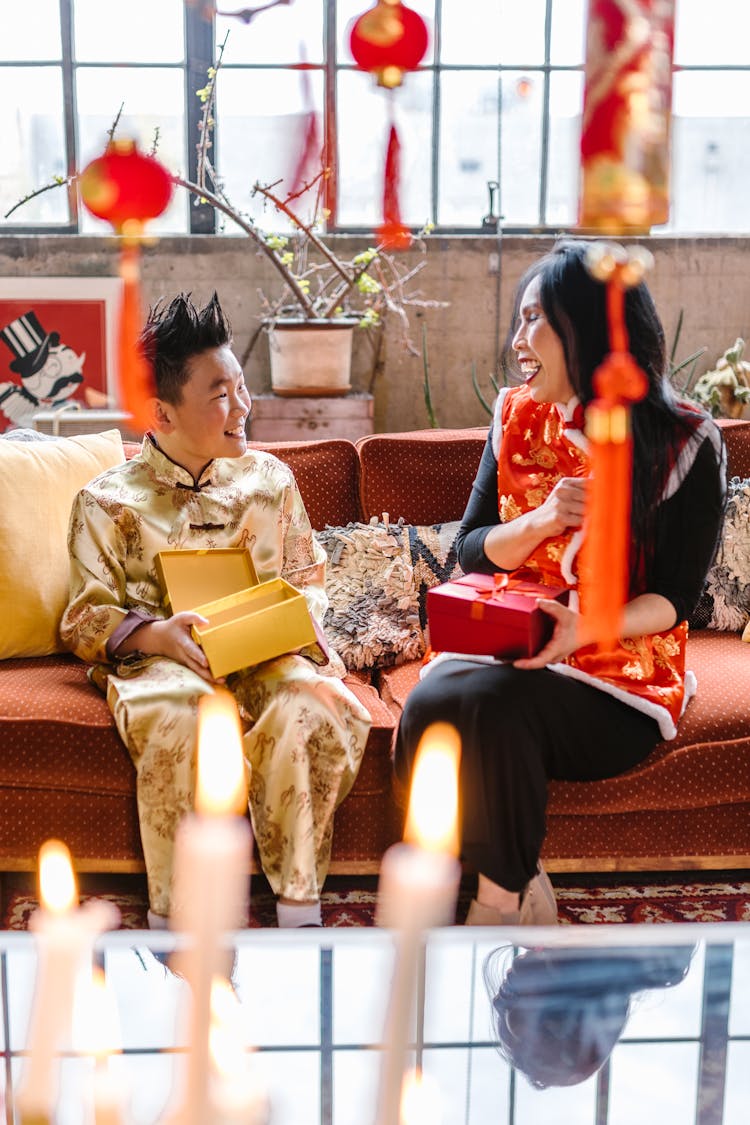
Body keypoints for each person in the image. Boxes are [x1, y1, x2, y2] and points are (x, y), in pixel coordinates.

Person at [394, 239, 726, 926]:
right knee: (427, 708)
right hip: (511, 640)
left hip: (619, 668)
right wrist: (542, 520)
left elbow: (676, 596)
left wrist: (584, 625)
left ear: (587, 328)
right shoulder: (516, 415)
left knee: (497, 704)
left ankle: (497, 899)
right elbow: (471, 552)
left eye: (533, 320)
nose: (517, 340)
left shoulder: (685, 440)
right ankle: (513, 883)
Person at [60, 292, 371, 929]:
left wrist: (293, 616)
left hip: (266, 654)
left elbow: (309, 580)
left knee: (306, 702)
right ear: (162, 413)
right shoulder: (105, 502)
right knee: (183, 712)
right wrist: (156, 636)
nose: (242, 406)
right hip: (164, 665)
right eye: (219, 393)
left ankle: (298, 906)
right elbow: (84, 616)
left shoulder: (272, 481)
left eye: (241, 385)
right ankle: (182, 921)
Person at [484, 943, 696, 1088]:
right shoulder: (664, 957)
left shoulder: (663, 963)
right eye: (513, 995)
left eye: (505, 998)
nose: (498, 998)